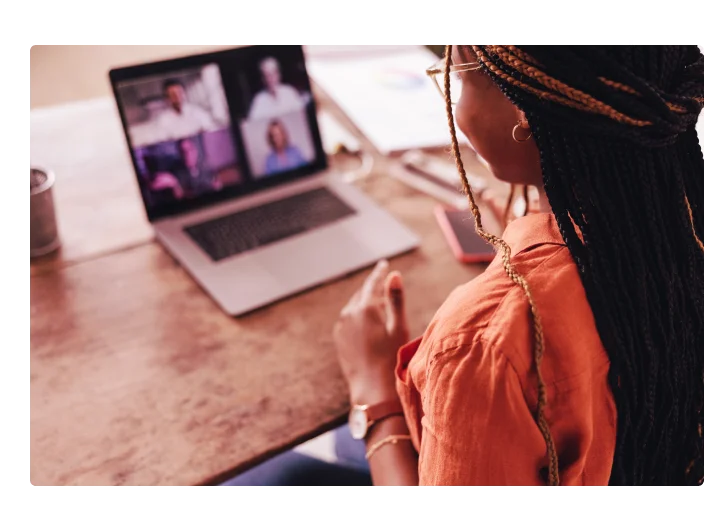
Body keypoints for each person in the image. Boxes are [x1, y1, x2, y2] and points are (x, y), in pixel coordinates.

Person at [223, 41, 704, 488]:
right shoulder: (677, 224)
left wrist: (375, 398)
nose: (454, 97)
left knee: (270, 479)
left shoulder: (483, 346)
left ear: (523, 107)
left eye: (460, 75)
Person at [151, 79, 218, 141]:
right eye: (173, 94)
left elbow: (211, 132)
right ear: (167, 98)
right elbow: (161, 140)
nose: (177, 97)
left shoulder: (198, 112)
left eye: (179, 92)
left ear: (184, 93)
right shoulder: (163, 120)